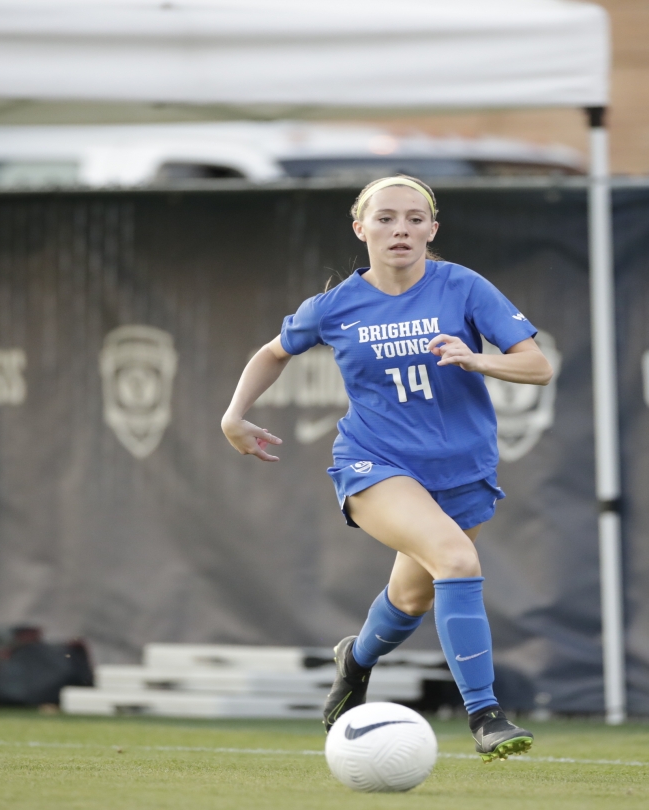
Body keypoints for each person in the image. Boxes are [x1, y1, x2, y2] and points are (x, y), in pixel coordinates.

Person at [220, 175, 552, 761]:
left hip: (463, 471)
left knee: (412, 598)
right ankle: (485, 714)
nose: (401, 229)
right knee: (456, 559)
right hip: (376, 462)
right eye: (386, 218)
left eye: (414, 219)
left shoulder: (464, 287)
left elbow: (537, 366)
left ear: (432, 229)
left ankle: (356, 659)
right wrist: (234, 416)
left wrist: (477, 360)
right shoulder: (335, 306)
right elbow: (274, 352)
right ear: (361, 228)